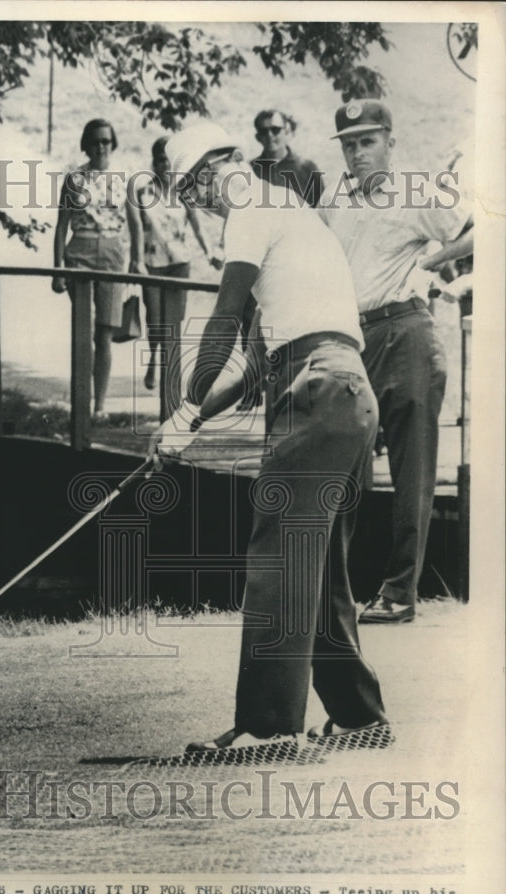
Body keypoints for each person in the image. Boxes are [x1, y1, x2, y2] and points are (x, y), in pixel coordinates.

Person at [149, 122, 390, 751]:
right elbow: (257, 363)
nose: (203, 204)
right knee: (320, 566)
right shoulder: (290, 213)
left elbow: (225, 319)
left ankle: (268, 727)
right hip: (349, 395)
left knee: (279, 557)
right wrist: (194, 420)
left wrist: (182, 408)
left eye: (195, 192)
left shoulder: (250, 206)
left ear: (213, 170)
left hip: (317, 392)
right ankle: (360, 717)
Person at [319, 100, 473, 624]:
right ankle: (329, 591)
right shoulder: (335, 193)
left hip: (406, 331)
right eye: (349, 143)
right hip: (352, 337)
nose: (358, 152)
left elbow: (480, 224)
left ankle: (400, 592)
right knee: (342, 464)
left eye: (367, 141)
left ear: (390, 140)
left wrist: (427, 262)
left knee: (412, 471)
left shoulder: (414, 186)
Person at [52, 118, 146, 417]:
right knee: (84, 329)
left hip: (112, 256)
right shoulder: (74, 179)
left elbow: (135, 224)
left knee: (104, 334)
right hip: (79, 253)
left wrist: (138, 260)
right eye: (95, 141)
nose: (101, 147)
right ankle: (80, 402)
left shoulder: (125, 178)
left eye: (106, 141)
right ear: (86, 145)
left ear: (113, 143)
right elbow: (61, 226)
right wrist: (57, 269)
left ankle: (99, 407)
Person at [136, 136, 222, 391]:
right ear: (154, 162)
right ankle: (154, 357)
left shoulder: (183, 192)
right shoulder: (144, 193)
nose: (164, 166)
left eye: (169, 161)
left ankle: (170, 374)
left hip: (179, 262)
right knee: (154, 318)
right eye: (160, 160)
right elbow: (137, 229)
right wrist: (136, 259)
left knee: (173, 320)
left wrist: (209, 253)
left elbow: (197, 225)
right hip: (152, 262)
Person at [250, 109, 324, 207]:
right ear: (258, 137)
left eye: (275, 130)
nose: (269, 135)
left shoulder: (307, 169)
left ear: (286, 132)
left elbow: (321, 212)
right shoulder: (250, 169)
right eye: (263, 131)